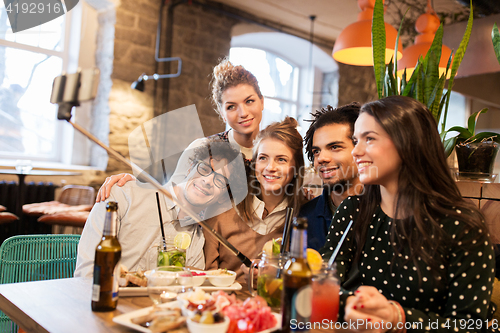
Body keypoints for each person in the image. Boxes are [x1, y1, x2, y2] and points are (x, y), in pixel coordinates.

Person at [320, 96, 495, 332]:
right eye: (355, 140)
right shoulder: (352, 211)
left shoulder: (463, 226)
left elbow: (469, 325)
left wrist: (397, 317)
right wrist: (353, 304)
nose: (356, 151)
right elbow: (325, 285)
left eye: (369, 139)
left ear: (409, 143)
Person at [94, 59, 264, 202]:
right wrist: (134, 185)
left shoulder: (278, 152)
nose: (243, 113)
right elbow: (171, 193)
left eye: (249, 101)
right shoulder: (204, 148)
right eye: (231, 106)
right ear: (222, 113)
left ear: (261, 102)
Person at [74, 140, 244, 277]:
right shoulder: (123, 194)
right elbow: (86, 273)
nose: (207, 181)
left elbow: (188, 291)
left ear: (223, 195)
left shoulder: (197, 239)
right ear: (190, 168)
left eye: (220, 180)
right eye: (205, 169)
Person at [204, 117, 305, 282]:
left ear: (296, 169)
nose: (270, 167)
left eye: (281, 159)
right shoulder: (221, 209)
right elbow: (207, 278)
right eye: (263, 158)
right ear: (254, 163)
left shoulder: (304, 217)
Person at [299, 103, 364, 250]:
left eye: (334, 147)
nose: (321, 158)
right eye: (316, 151)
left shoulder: (387, 212)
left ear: (361, 149)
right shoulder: (304, 218)